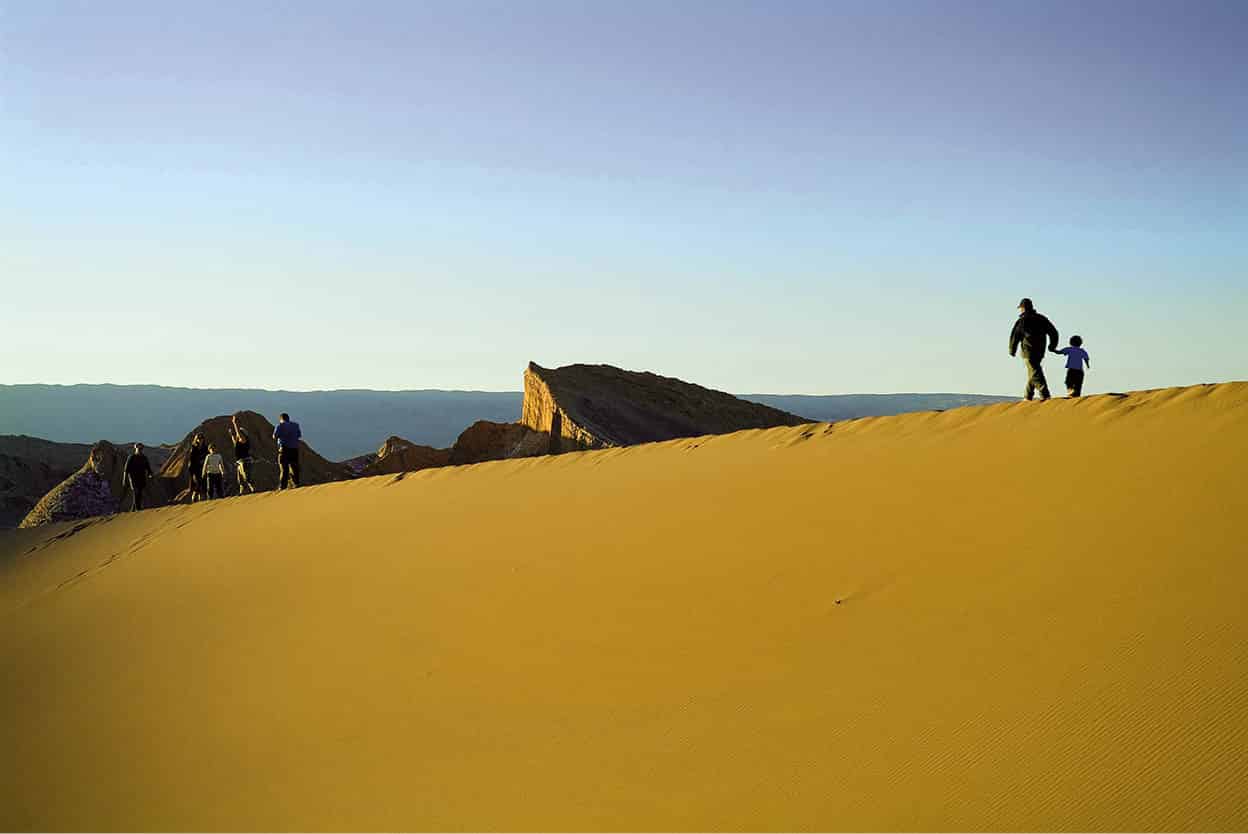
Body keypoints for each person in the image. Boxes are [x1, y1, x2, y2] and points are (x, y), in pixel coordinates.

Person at [1008, 297, 1060, 401]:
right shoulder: (1041, 318)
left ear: (1023, 308)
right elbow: (1054, 332)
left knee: (1035, 372)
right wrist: (1052, 346)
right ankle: (1028, 396)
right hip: (1040, 350)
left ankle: (1045, 395)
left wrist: (1012, 350)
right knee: (1033, 371)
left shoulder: (1022, 321)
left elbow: (1015, 336)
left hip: (1028, 351)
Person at [273, 412, 302, 489]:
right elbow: (299, 435)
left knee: (284, 469)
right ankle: (296, 485)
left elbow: (274, 436)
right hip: (294, 450)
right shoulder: (296, 425)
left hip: (284, 450)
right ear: (288, 418)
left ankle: (282, 487)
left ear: (281, 419)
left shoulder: (280, 426)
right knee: (294, 468)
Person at [122, 443, 154, 511]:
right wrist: (124, 480)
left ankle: (133, 510)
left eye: (141, 449)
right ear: (135, 448)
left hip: (142, 479)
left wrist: (150, 474)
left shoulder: (144, 458)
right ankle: (138, 509)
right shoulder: (131, 457)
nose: (139, 450)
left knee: (139, 494)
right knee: (137, 493)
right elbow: (126, 470)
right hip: (133, 479)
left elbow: (148, 468)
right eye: (138, 449)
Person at [229, 416, 256, 494]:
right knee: (240, 480)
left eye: (240, 433)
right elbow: (235, 442)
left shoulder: (244, 440)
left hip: (244, 461)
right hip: (240, 461)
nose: (238, 434)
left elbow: (238, 434)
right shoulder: (240, 441)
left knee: (247, 478)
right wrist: (231, 435)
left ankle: (253, 489)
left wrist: (235, 424)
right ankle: (242, 493)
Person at [187, 433, 209, 502]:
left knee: (204, 483)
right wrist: (192, 471)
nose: (200, 440)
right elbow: (191, 459)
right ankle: (194, 497)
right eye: (199, 439)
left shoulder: (205, 448)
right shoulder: (193, 448)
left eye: (201, 438)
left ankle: (201, 499)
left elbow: (208, 456)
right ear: (196, 439)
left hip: (204, 468)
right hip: (195, 469)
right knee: (198, 483)